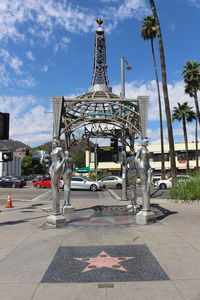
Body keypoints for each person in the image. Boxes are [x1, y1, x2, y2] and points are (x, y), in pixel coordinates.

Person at [49, 139, 65, 215]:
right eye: (52, 142)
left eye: (54, 142)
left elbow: (64, 159)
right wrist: (50, 167)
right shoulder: (52, 151)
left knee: (54, 185)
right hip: (52, 167)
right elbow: (52, 161)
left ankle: (56, 209)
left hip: (58, 166)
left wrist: (59, 167)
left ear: (57, 143)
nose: (53, 144)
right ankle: (55, 207)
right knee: (52, 185)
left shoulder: (60, 149)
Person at [135, 137, 152, 211]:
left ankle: (147, 195)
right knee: (143, 183)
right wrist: (140, 166)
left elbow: (148, 159)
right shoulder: (140, 149)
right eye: (146, 142)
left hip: (148, 166)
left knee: (148, 182)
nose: (147, 143)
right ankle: (144, 204)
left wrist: (150, 167)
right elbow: (136, 159)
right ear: (143, 142)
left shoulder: (147, 150)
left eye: (148, 142)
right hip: (142, 166)